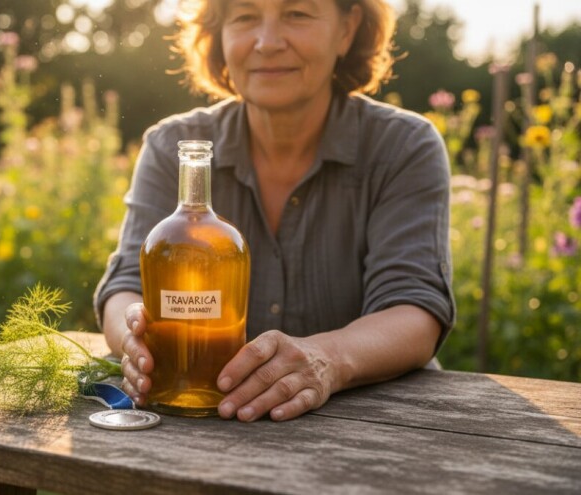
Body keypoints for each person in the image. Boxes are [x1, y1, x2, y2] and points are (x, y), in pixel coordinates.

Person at [94, 0, 455, 422]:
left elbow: (414, 309)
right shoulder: (172, 145)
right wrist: (133, 339)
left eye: (297, 13)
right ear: (219, 34)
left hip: (374, 433)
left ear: (347, 28)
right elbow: (124, 288)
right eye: (245, 16)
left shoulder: (403, 147)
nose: (267, 42)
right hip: (201, 432)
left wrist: (327, 359)